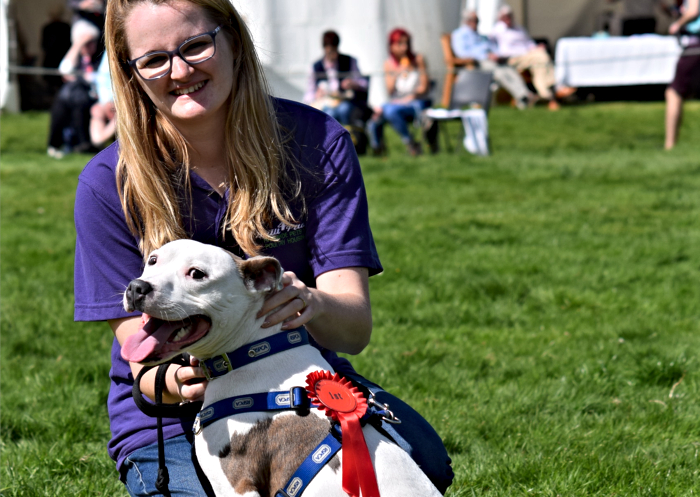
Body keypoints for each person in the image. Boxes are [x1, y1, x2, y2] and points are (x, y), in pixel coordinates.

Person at [73, 1, 454, 496]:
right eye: (154, 59)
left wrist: (312, 303)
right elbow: (141, 357)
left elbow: (354, 328)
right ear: (129, 72)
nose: (181, 71)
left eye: (195, 46)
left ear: (232, 37)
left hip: (296, 383)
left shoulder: (316, 142)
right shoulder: (108, 182)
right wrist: (175, 381)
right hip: (172, 416)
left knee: (427, 464)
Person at [490, 4, 575, 110]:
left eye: (509, 16)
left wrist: (536, 47)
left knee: (540, 60)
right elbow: (493, 48)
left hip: (528, 55)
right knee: (541, 57)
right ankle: (555, 89)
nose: (508, 19)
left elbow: (528, 43)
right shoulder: (497, 31)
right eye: (505, 17)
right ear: (500, 18)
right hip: (512, 58)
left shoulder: (519, 28)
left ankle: (546, 94)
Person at [368, 28, 434, 156]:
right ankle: (377, 149)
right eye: (400, 44)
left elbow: (425, 87)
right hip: (398, 102)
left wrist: (411, 96)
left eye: (407, 43)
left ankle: (409, 142)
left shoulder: (418, 59)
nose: (405, 47)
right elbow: (390, 90)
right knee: (375, 118)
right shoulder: (389, 64)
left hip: (417, 101)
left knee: (389, 110)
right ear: (392, 46)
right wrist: (397, 71)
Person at [451, 9, 535, 110]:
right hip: (478, 62)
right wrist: (485, 55)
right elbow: (462, 53)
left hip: (492, 61)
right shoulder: (460, 34)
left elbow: (493, 47)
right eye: (475, 20)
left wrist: (497, 55)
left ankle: (525, 95)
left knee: (510, 70)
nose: (477, 23)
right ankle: (522, 97)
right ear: (468, 21)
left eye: (478, 20)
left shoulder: (480, 35)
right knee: (500, 73)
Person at [47, 19, 100, 158]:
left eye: (91, 42)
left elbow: (98, 80)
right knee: (63, 101)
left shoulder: (100, 57)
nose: (89, 46)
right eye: (86, 43)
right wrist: (78, 45)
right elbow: (64, 70)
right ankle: (56, 144)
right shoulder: (77, 58)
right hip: (76, 99)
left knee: (71, 97)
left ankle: (80, 143)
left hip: (96, 97)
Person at [303, 30, 369, 125]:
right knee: (329, 114)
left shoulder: (349, 61)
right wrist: (316, 95)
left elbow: (364, 83)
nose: (333, 55)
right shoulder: (315, 67)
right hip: (325, 104)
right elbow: (308, 95)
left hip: (346, 102)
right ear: (324, 49)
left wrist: (353, 84)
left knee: (344, 110)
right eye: (330, 51)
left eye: (335, 50)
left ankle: (349, 136)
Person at [665, 0, 700, 149]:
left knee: (674, 92)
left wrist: (678, 24)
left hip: (695, 45)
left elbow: (693, 11)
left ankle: (670, 145)